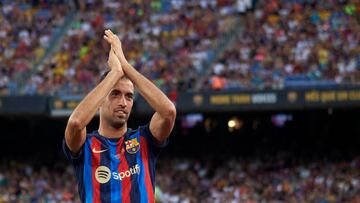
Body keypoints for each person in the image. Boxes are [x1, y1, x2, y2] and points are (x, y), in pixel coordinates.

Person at [63, 30, 176, 203]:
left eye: (129, 96)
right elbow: (76, 123)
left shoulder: (144, 139)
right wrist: (114, 72)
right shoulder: (85, 145)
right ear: (100, 100)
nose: (123, 102)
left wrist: (124, 65)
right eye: (115, 94)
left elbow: (168, 112)